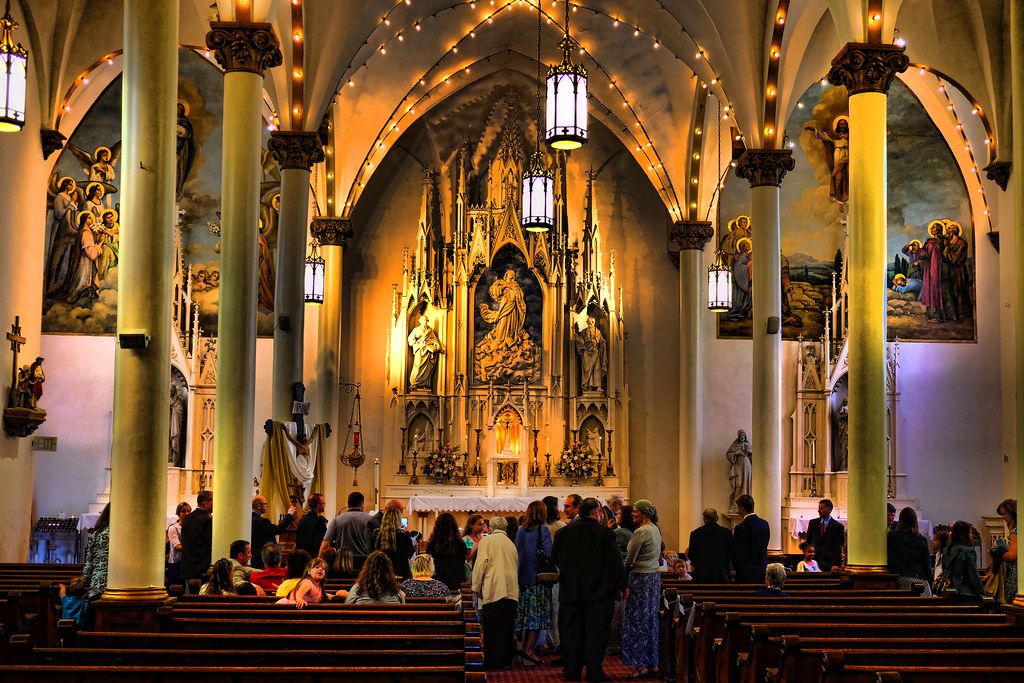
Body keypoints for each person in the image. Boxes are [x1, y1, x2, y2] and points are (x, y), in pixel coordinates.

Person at [552, 497, 627, 683]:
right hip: (598, 592)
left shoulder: (564, 533)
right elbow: (614, 561)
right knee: (597, 632)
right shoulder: (605, 533)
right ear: (596, 513)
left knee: (571, 633)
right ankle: (595, 671)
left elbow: (555, 558)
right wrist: (622, 584)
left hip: (571, 591)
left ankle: (572, 670)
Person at [472, 515, 519, 671]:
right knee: (507, 627)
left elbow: (480, 565)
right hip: (511, 591)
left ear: (490, 528)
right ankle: (505, 659)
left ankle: (493, 660)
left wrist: (476, 588)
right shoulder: (511, 544)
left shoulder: (487, 541)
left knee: (493, 627)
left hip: (494, 589)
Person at [622, 498, 662, 679]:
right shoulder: (655, 529)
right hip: (653, 578)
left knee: (638, 621)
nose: (633, 514)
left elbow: (630, 559)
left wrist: (621, 573)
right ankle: (652, 662)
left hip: (640, 578)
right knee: (650, 620)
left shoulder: (641, 532)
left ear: (645, 513)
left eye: (636, 511)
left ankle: (641, 664)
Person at [514, 500, 553, 665]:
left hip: (522, 578)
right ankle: (530, 651)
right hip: (537, 578)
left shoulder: (521, 530)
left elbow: (516, 551)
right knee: (536, 617)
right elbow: (549, 553)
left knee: (524, 616)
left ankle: (524, 650)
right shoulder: (543, 529)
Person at [320, 491, 373, 569]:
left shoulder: (337, 520)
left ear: (348, 504)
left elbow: (325, 543)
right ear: (362, 504)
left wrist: (319, 561)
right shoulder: (370, 520)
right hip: (364, 562)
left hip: (343, 562)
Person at [887, 507, 933, 595]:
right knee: (926, 605)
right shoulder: (921, 539)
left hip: (898, 578)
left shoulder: (890, 536)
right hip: (919, 577)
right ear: (914, 521)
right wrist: (930, 581)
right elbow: (926, 563)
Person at [251, 494, 297, 569]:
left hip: (254, 556)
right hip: (262, 558)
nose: (267, 506)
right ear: (259, 506)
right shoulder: (262, 522)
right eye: (265, 504)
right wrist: (289, 515)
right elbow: (279, 529)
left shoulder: (248, 519)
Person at [942, 521, 984, 601]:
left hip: (950, 592)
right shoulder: (968, 551)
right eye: (970, 532)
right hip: (966, 593)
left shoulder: (946, 550)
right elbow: (973, 575)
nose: (971, 535)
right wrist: (981, 593)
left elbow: (944, 569)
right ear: (964, 535)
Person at [731, 494, 769, 583]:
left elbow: (736, 551)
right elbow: (765, 544)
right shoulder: (764, 524)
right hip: (760, 571)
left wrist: (735, 567)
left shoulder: (740, 528)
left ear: (742, 509)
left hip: (744, 573)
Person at [687, 507, 732, 583]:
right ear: (717, 518)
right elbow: (730, 553)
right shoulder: (727, 533)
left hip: (701, 576)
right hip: (721, 575)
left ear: (704, 519)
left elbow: (692, 554)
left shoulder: (696, 533)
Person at [427, 512, 469, 591]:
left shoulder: (432, 543)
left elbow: (429, 562)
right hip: (456, 581)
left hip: (437, 581)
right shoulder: (460, 543)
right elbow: (462, 561)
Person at [181, 490, 213, 588]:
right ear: (206, 503)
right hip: (202, 566)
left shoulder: (188, 517)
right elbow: (210, 541)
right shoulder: (206, 520)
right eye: (213, 501)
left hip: (188, 564)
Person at [373, 508, 415, 580]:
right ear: (398, 521)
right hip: (401, 572)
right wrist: (407, 533)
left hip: (383, 571)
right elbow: (410, 553)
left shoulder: (377, 534)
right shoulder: (404, 536)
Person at [806, 499, 844, 573]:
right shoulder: (813, 523)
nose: (818, 511)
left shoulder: (837, 527)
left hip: (829, 562)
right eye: (819, 508)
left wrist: (836, 564)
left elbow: (838, 547)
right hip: (814, 562)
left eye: (821, 508)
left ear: (829, 509)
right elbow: (808, 542)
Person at [943, 221, 971, 320]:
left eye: (949, 229)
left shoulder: (962, 243)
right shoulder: (949, 243)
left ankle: (962, 313)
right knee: (951, 291)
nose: (947, 231)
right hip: (950, 270)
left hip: (958, 271)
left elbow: (955, 260)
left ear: (955, 231)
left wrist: (947, 248)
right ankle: (953, 313)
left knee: (958, 291)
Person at [82, 503, 110, 601]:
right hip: (119, 587)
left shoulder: (97, 534)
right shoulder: (124, 533)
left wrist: (86, 584)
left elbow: (89, 563)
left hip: (98, 585)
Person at [408, 315, 443, 390]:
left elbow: (434, 339)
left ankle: (424, 384)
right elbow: (410, 339)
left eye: (427, 321)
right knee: (418, 366)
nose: (426, 322)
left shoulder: (429, 330)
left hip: (428, 351)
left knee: (427, 368)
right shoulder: (416, 330)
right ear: (420, 321)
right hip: (420, 351)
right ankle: (415, 383)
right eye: (424, 320)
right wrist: (416, 342)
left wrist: (437, 344)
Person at [993, 499, 1017, 599]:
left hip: (1014, 575)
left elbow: (1011, 556)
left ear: (1013, 513)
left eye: (1005, 514)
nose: (1003, 517)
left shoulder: (1016, 531)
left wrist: (997, 554)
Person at [576, 316, 607, 391]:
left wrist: (603, 344)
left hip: (595, 352)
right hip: (586, 353)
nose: (590, 326)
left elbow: (602, 341)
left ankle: (598, 386)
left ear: (594, 323)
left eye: (591, 324)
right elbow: (579, 341)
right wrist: (581, 346)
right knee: (587, 369)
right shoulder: (583, 332)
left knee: (596, 368)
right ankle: (587, 386)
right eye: (589, 324)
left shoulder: (598, 332)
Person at [724, 238, 753, 322]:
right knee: (739, 300)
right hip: (740, 282)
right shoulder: (741, 258)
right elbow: (738, 270)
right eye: (747, 244)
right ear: (743, 246)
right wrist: (749, 266)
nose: (749, 245)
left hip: (745, 281)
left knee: (745, 299)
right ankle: (737, 313)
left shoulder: (747, 256)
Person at [295, 492, 328, 558]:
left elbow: (298, 541)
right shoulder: (320, 521)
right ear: (318, 506)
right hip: (314, 557)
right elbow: (320, 541)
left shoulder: (302, 520)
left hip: (302, 556)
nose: (325, 505)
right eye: (323, 503)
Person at [166, 501, 191, 588]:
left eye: (188, 511)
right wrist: (193, 548)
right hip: (176, 563)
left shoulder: (192, 527)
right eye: (184, 511)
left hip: (188, 563)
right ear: (179, 513)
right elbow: (177, 546)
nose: (186, 513)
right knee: (176, 588)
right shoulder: (173, 528)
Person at [726, 430, 752, 511]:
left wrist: (749, 451)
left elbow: (755, 455)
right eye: (741, 435)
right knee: (738, 484)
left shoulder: (748, 444)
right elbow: (728, 454)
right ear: (738, 436)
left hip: (747, 466)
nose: (742, 437)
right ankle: (735, 503)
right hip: (738, 466)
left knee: (746, 484)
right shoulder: (735, 444)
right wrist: (736, 453)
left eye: (743, 435)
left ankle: (745, 505)